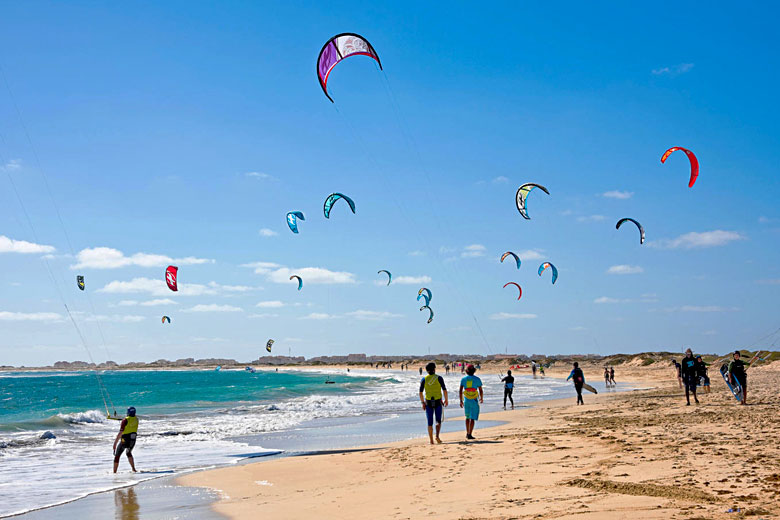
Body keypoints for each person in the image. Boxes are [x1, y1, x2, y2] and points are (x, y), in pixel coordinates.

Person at [419, 362, 448, 444]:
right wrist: (446, 400)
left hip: (428, 402)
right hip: (438, 402)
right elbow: (444, 390)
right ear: (434, 369)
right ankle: (437, 436)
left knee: (429, 422)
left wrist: (422, 403)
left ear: (427, 370)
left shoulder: (424, 379)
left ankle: (431, 440)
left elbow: (420, 392)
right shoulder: (439, 378)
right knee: (438, 421)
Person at [459, 365, 483, 440]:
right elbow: (480, 390)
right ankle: (470, 433)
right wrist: (481, 398)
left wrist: (461, 400)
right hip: (474, 399)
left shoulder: (463, 379)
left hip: (466, 399)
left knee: (467, 417)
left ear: (466, 371)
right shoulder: (477, 379)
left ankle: (467, 433)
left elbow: (460, 391)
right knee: (472, 418)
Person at [113, 406, 138, 473]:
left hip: (125, 440)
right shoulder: (136, 419)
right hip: (133, 440)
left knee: (117, 455)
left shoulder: (125, 420)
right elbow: (130, 423)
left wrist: (115, 443)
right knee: (128, 453)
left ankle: (114, 472)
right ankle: (133, 469)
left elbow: (121, 432)